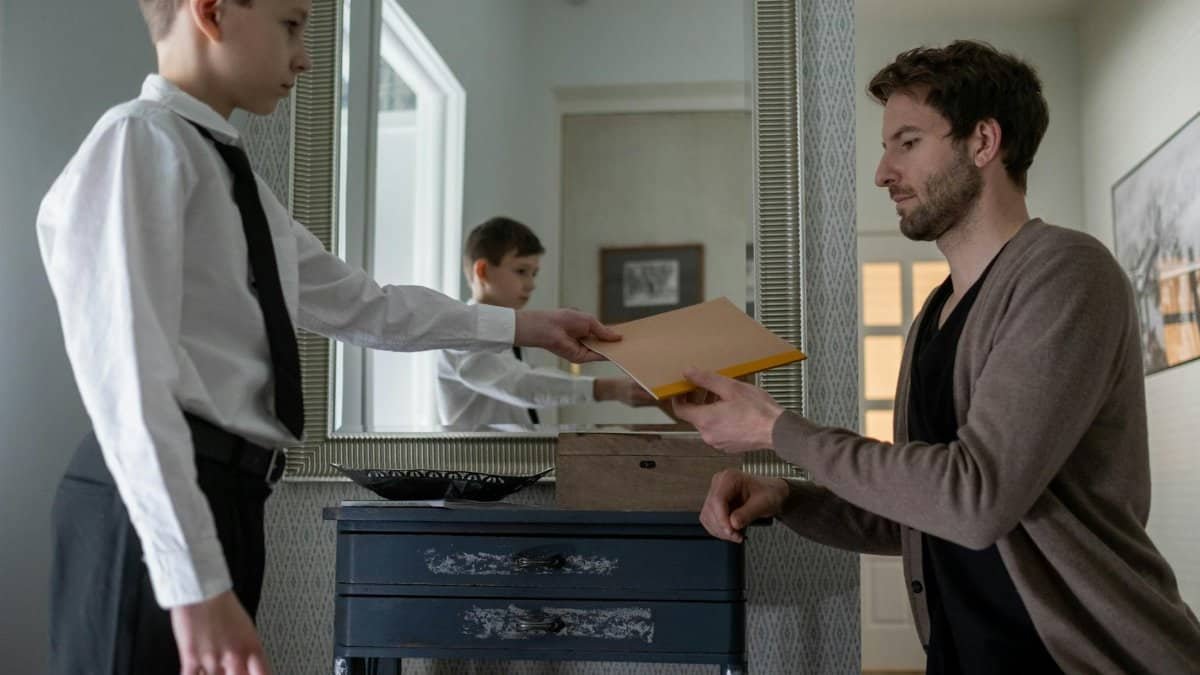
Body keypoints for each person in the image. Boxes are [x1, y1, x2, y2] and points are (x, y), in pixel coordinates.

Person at [36, 1, 620, 673]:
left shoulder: (233, 180)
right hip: (151, 506)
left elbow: (368, 307)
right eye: (291, 23)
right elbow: (127, 383)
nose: (306, 56)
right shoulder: (137, 143)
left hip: (226, 497)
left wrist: (528, 325)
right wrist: (191, 581)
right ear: (213, 11)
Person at [671, 40, 1200, 674]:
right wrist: (788, 497)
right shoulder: (935, 313)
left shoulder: (1067, 274)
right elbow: (923, 513)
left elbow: (975, 501)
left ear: (983, 142)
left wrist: (776, 429)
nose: (883, 172)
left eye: (908, 142)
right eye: (886, 147)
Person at [437, 217, 655, 429]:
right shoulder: (462, 337)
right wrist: (607, 389)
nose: (531, 284)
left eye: (534, 273)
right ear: (482, 271)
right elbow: (520, 386)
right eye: (521, 271)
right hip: (474, 464)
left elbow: (519, 415)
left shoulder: (508, 334)